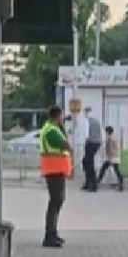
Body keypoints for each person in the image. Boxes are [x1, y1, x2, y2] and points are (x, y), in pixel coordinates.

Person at [38, 106, 72, 248]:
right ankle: (49, 235)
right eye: (62, 115)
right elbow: (66, 145)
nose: (63, 118)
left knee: (57, 201)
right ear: (58, 115)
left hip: (55, 170)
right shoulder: (51, 130)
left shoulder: (51, 128)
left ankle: (53, 232)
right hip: (54, 170)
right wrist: (63, 130)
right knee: (56, 201)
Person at [81, 107, 103, 192]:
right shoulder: (97, 121)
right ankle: (88, 183)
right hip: (97, 143)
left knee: (89, 164)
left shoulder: (87, 121)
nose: (85, 114)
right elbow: (101, 133)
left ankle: (93, 185)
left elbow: (86, 135)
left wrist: (86, 142)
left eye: (85, 113)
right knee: (86, 161)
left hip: (90, 143)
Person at [96, 125, 123, 191]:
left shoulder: (110, 139)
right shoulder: (114, 137)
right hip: (115, 156)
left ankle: (98, 181)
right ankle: (120, 183)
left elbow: (110, 149)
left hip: (112, 157)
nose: (105, 133)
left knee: (107, 169)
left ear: (107, 132)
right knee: (114, 170)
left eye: (106, 132)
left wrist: (109, 157)